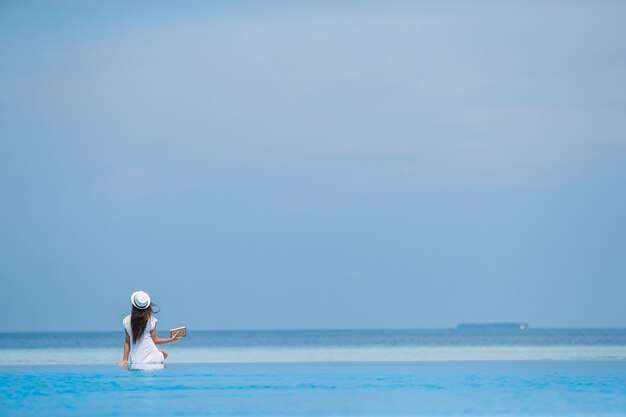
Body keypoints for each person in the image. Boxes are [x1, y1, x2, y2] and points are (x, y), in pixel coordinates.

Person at [117, 291, 179, 365]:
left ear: (133, 306)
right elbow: (155, 341)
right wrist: (171, 339)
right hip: (153, 359)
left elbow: (127, 342)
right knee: (165, 353)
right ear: (148, 306)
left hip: (136, 360)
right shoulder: (151, 320)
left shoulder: (126, 321)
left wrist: (125, 360)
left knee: (162, 353)